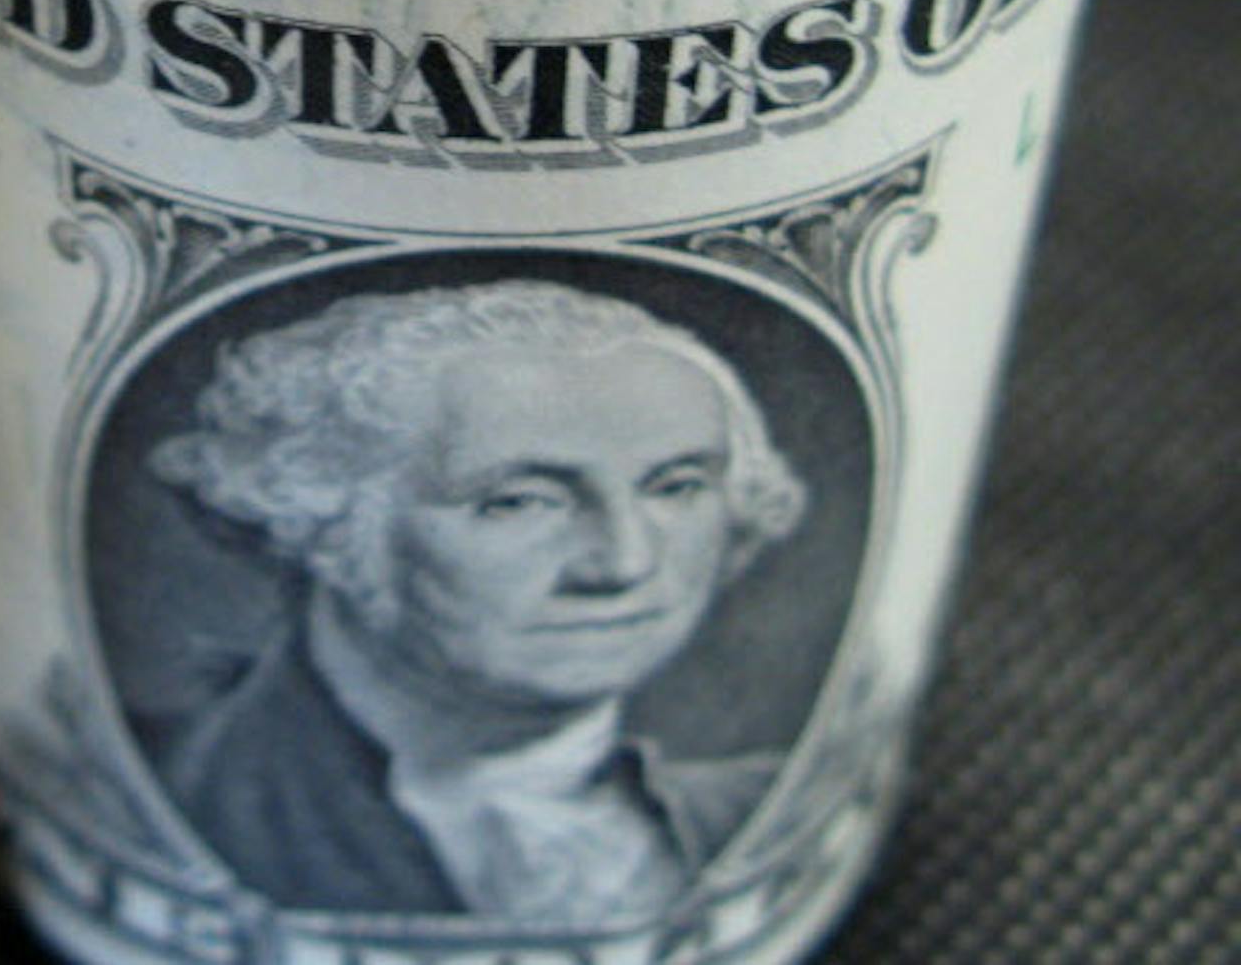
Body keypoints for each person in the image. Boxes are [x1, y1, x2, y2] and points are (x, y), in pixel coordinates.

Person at [147, 278, 807, 928]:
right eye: (519, 500)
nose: (623, 563)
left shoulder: (763, 804)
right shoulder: (163, 794)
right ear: (326, 518)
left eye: (676, 487)